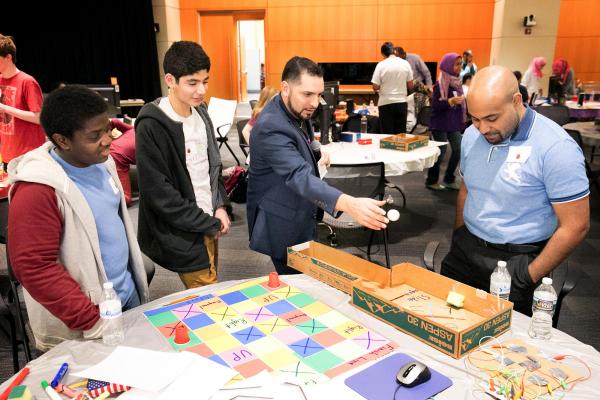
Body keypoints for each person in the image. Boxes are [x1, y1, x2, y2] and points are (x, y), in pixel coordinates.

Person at [7, 85, 149, 350]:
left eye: (108, 128)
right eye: (96, 135)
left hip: (124, 299)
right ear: (62, 140)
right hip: (87, 323)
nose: (107, 139)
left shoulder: (101, 162)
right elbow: (35, 267)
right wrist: (93, 320)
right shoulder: (37, 189)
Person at [440, 66, 589, 316]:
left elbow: (576, 225)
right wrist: (459, 238)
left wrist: (527, 276)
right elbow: (467, 189)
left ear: (517, 101)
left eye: (492, 118)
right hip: (466, 251)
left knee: (507, 347)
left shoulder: (556, 147)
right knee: (448, 323)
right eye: (475, 118)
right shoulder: (471, 135)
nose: (483, 129)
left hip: (518, 260)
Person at [247, 56, 389, 274]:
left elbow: (301, 138)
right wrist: (349, 204)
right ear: (285, 88)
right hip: (281, 223)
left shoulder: (293, 109)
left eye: (319, 95)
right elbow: (298, 176)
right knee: (294, 288)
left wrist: (314, 148)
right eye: (307, 94)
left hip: (300, 211)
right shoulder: (270, 126)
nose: (315, 103)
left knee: (303, 284)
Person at [135, 41, 231, 289]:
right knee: (208, 300)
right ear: (170, 80)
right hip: (184, 231)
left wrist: (219, 206)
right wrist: (206, 222)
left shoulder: (200, 111)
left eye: (205, 81)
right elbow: (159, 194)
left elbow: (214, 167)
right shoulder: (152, 123)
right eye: (192, 83)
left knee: (211, 287)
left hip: (209, 221)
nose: (201, 90)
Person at [0, 34, 46, 170]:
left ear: (8, 57)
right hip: (8, 154)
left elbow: (39, 118)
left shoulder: (27, 82)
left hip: (29, 156)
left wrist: (4, 108)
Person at [425, 53, 465, 191]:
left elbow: (460, 106)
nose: (460, 67)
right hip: (440, 123)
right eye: (457, 64)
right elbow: (436, 106)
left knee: (458, 150)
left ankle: (449, 179)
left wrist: (462, 120)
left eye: (461, 63)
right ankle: (431, 181)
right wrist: (450, 101)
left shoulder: (458, 82)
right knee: (440, 153)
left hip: (453, 124)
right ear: (448, 65)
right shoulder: (439, 84)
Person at [372, 42, 414, 134]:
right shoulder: (405, 63)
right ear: (393, 51)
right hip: (401, 103)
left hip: (385, 103)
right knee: (400, 135)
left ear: (383, 54)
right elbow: (410, 85)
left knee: (386, 135)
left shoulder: (381, 65)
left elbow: (375, 86)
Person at [109, 118, 136, 206]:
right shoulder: (154, 146)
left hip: (111, 150)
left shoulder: (134, 128)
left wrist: (107, 135)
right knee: (126, 199)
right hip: (117, 157)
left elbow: (114, 121)